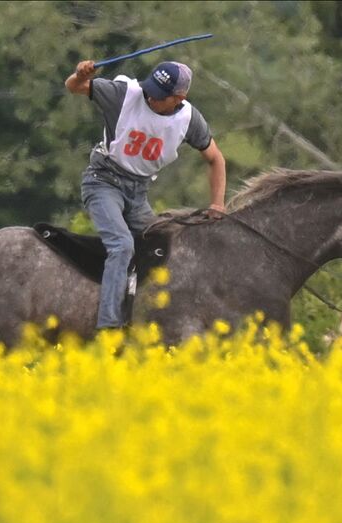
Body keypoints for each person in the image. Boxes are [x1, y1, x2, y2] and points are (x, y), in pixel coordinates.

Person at [65, 58, 226, 331]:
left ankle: (158, 314)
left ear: (179, 98)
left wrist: (217, 204)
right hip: (103, 182)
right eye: (151, 88)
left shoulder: (189, 120)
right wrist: (80, 74)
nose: (151, 96)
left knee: (168, 247)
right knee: (122, 245)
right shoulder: (124, 94)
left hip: (138, 195)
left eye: (160, 95)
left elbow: (216, 159)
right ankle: (109, 326)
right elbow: (73, 87)